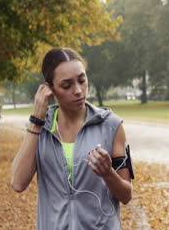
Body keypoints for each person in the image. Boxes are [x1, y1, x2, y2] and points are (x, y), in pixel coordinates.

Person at [11, 48, 133, 230]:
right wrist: (37, 121)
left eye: (82, 80)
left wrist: (108, 173)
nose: (78, 90)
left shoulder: (111, 125)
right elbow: (18, 183)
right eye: (66, 86)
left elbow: (126, 195)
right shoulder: (41, 129)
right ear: (50, 89)